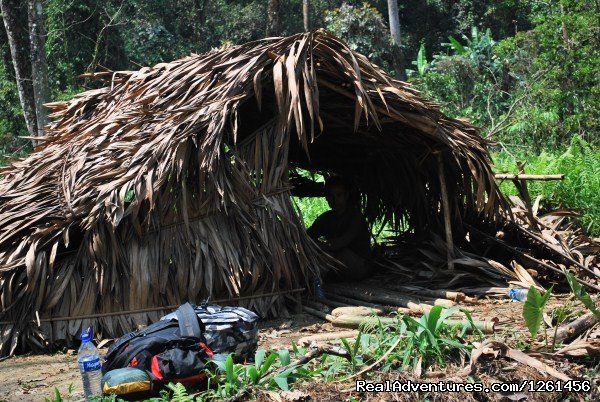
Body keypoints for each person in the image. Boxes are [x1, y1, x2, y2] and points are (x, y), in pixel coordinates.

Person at [307, 176, 371, 281]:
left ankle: (310, 283)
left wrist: (317, 246)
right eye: (331, 196)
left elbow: (340, 243)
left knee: (332, 254)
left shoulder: (356, 217)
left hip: (358, 267)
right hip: (337, 267)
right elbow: (307, 237)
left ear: (346, 195)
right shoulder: (325, 218)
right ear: (326, 198)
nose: (335, 199)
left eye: (339, 195)